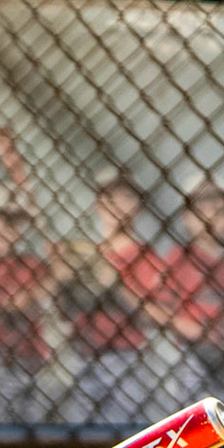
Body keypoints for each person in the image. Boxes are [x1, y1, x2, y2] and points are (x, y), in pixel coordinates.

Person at [58, 171, 166, 425]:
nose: (117, 206)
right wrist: (61, 280)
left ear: (138, 206)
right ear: (98, 205)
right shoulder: (84, 254)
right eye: (110, 198)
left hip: (125, 356)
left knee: (124, 431)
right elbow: (65, 313)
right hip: (83, 354)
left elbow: (153, 317)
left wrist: (115, 285)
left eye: (126, 198)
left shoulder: (145, 256)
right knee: (79, 431)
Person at [154, 180, 224, 397]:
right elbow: (154, 308)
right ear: (186, 217)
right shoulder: (179, 258)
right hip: (191, 356)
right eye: (202, 210)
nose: (211, 218)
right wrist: (191, 329)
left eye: (219, 210)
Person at [0, 171, 59, 424]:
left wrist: (56, 263)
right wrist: (38, 289)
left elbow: (58, 280)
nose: (9, 229)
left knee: (35, 429)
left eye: (15, 222)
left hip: (32, 359)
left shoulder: (31, 264)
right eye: (1, 219)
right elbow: (6, 308)